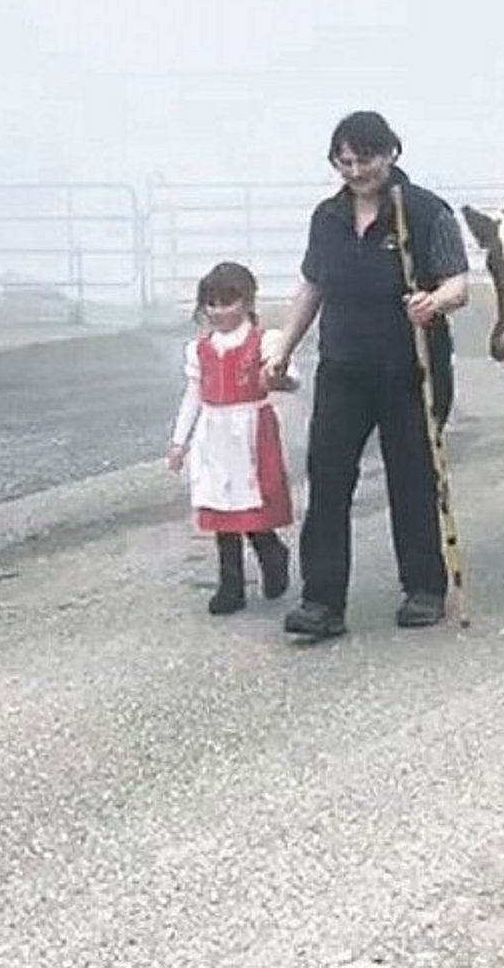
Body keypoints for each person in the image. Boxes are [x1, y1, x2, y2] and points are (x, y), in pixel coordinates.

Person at [264, 110, 469, 640]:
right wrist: (284, 348)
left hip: (411, 370)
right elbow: (313, 286)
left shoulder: (424, 212)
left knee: (412, 477)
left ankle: (425, 588)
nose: (355, 171)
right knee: (328, 479)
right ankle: (322, 601)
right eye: (345, 160)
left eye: (366, 159)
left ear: (392, 154)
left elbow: (458, 285)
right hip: (343, 369)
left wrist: (434, 301)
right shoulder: (326, 218)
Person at [167, 261, 293, 615]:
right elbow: (193, 396)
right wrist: (180, 442)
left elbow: (289, 378)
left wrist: (280, 377)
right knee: (221, 506)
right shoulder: (200, 350)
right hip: (215, 433)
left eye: (228, 302)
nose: (219, 311)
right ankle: (231, 584)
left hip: (251, 432)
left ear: (248, 300)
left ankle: (271, 552)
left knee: (250, 502)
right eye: (212, 304)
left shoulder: (265, 341)